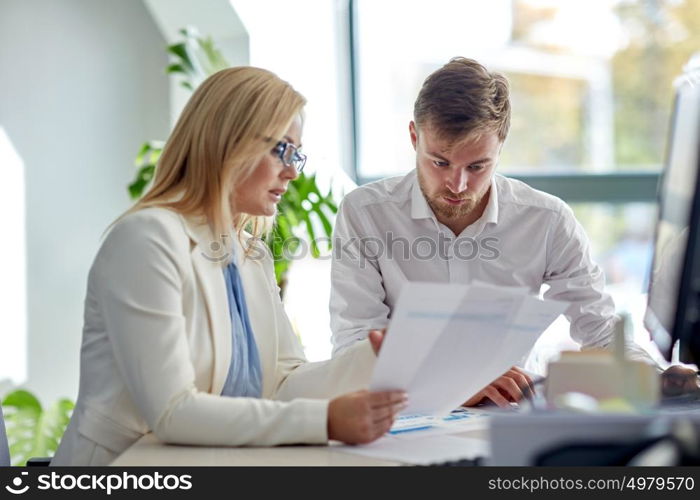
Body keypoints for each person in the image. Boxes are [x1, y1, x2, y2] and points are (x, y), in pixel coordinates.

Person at [52, 67, 406, 466]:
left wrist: (379, 356)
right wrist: (325, 421)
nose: (292, 172)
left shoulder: (250, 253)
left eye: (298, 155)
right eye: (283, 150)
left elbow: (283, 383)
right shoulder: (147, 239)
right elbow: (173, 412)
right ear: (229, 143)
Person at [330, 57, 683, 408]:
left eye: (477, 166)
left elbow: (602, 329)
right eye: (440, 162)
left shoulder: (546, 220)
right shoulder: (365, 214)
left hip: (510, 413)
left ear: (501, 146)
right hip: (400, 417)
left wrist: (659, 380)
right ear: (413, 137)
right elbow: (354, 348)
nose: (457, 184)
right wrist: (457, 385)